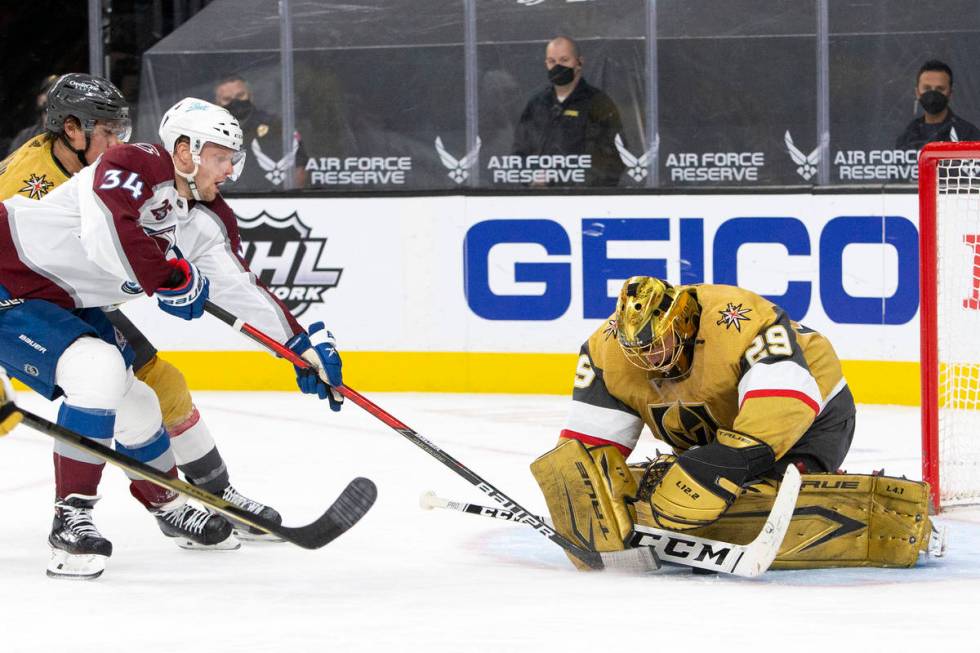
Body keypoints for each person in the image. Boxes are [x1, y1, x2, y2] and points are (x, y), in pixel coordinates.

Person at [0, 97, 345, 579]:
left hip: (61, 300)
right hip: (8, 278)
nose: (230, 169)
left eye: (233, 158)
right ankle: (71, 520)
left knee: (139, 402)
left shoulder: (207, 219)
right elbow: (109, 231)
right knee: (97, 370)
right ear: (185, 150)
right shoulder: (133, 162)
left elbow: (240, 290)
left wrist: (299, 347)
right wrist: (166, 278)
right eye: (222, 156)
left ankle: (167, 504)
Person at [531, 277, 939, 570]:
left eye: (659, 345)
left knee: (771, 486)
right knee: (675, 485)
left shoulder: (741, 319)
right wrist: (588, 494)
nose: (649, 360)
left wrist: (730, 461)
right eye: (639, 349)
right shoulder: (606, 351)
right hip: (716, 428)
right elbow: (590, 447)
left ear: (684, 324)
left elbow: (784, 402)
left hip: (813, 412)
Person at [512, 36, 626, 187]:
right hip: (541, 199)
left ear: (579, 62)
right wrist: (531, 178)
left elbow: (613, 157)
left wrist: (577, 184)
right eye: (552, 61)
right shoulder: (537, 104)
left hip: (584, 199)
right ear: (546, 64)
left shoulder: (598, 103)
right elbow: (519, 152)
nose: (558, 66)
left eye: (564, 60)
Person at [213, 74, 307, 190]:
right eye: (227, 99)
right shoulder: (209, 132)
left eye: (240, 95)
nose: (235, 102)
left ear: (251, 96)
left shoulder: (276, 126)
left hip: (270, 199)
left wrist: (289, 199)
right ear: (217, 103)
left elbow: (299, 168)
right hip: (226, 200)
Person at [896, 59, 980, 150]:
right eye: (927, 88)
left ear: (950, 93)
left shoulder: (968, 135)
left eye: (940, 89)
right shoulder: (908, 136)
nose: (933, 94)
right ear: (917, 92)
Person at [5, 74, 59, 157]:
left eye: (57, 92)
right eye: (47, 91)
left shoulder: (73, 135)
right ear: (39, 99)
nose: (50, 96)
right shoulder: (25, 136)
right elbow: (11, 165)